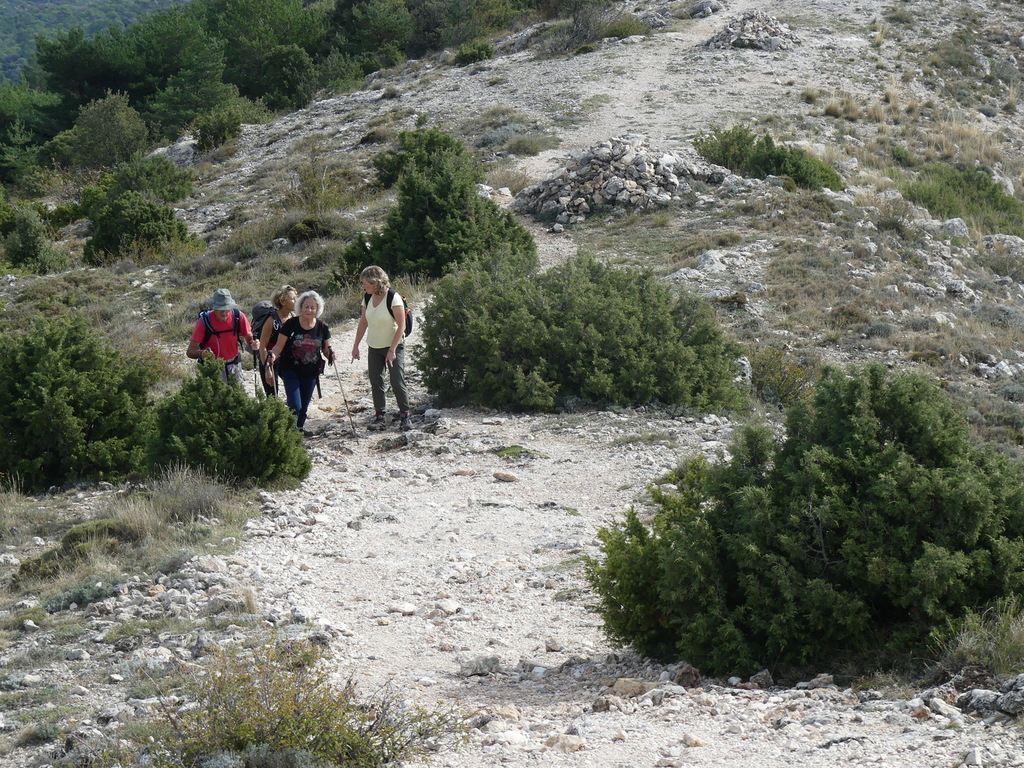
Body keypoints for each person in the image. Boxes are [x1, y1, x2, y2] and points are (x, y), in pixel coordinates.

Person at [351, 265, 411, 431]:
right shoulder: (367, 298)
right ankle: (380, 416)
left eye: (365, 283)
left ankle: (405, 415)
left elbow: (401, 326)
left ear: (374, 281)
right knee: (376, 381)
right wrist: (356, 346)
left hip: (394, 346)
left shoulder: (393, 297)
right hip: (374, 346)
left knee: (397, 381)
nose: (363, 286)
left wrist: (392, 350)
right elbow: (363, 322)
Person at [266, 290, 332, 431]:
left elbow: (326, 350)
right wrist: (272, 356)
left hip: (311, 371)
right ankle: (291, 432)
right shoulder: (291, 324)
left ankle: (299, 431)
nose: (309, 310)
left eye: (312, 307)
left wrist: (331, 354)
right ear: (300, 307)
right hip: (290, 369)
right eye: (306, 306)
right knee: (295, 405)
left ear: (317, 309)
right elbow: (278, 347)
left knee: (304, 405)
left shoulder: (322, 327)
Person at [186, 288, 259, 384]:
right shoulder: (204, 322)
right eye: (220, 309)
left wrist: (255, 344)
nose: (224, 312)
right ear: (214, 307)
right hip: (212, 367)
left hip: (234, 365)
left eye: (226, 308)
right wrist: (202, 354)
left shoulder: (238, 317)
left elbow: (250, 340)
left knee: (237, 396)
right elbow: (190, 352)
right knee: (216, 398)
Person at [257, 285, 297, 396]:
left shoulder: (292, 318)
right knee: (272, 396)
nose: (296, 301)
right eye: (293, 299)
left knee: (294, 391)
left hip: (285, 361)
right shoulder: (271, 320)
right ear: (283, 301)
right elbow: (262, 346)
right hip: (269, 361)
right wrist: (267, 370)